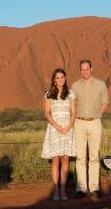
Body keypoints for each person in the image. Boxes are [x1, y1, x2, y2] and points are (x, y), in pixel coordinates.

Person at [71, 59, 109, 199]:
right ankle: (81, 188)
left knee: (94, 157)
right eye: (82, 69)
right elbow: (72, 105)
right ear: (80, 70)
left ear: (91, 69)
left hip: (95, 123)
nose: (85, 72)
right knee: (80, 157)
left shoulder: (101, 85)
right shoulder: (75, 86)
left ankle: (94, 188)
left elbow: (105, 103)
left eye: (87, 69)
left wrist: (97, 114)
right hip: (79, 123)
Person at [41, 68, 77, 201]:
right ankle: (56, 190)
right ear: (54, 80)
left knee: (65, 160)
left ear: (65, 78)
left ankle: (63, 190)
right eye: (58, 78)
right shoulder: (49, 94)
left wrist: (68, 126)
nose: (60, 80)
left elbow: (73, 112)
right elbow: (46, 113)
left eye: (62, 77)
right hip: (54, 128)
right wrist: (56, 126)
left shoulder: (71, 94)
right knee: (55, 160)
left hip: (67, 128)